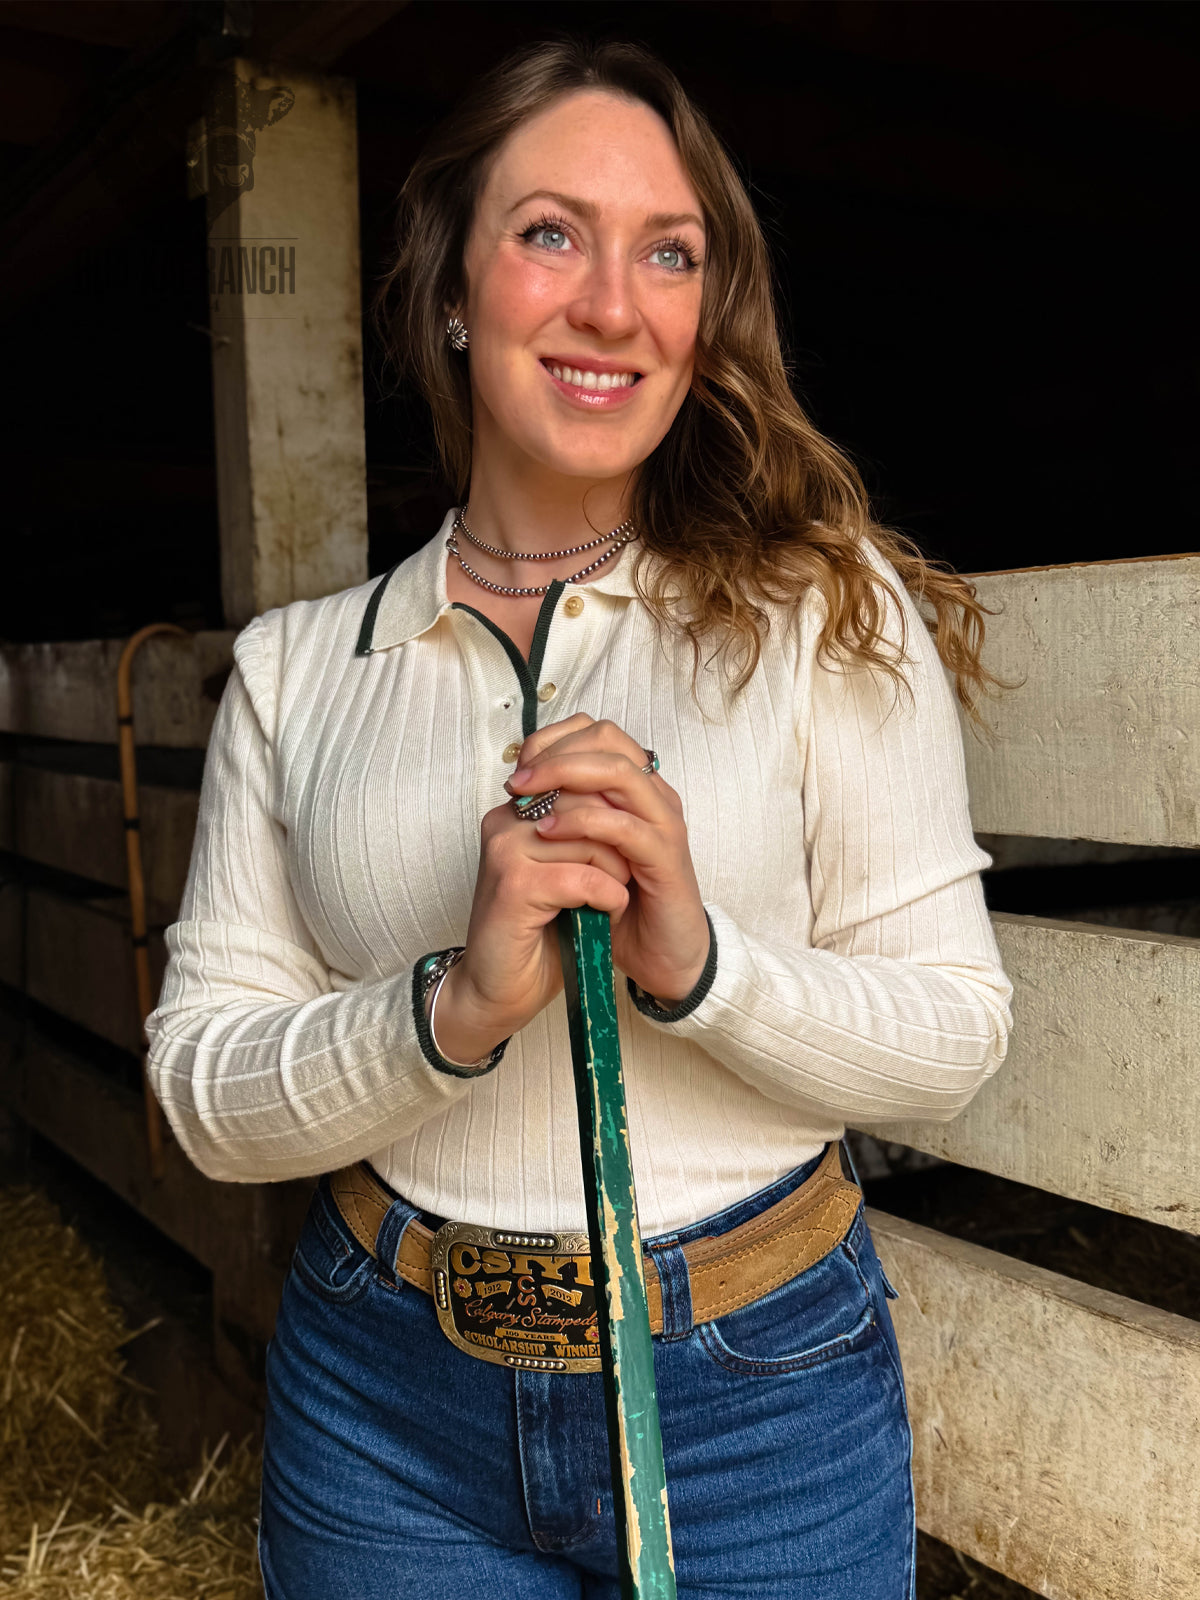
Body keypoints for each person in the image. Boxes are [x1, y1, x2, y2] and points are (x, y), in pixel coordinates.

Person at [146, 36, 1012, 1600]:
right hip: (385, 1407)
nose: (615, 304)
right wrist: (449, 1010)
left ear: (704, 313)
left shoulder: (821, 616)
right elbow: (206, 1100)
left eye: (668, 254)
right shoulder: (296, 671)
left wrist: (701, 967)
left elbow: (951, 1042)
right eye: (552, 233)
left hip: (754, 1401)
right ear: (451, 286)